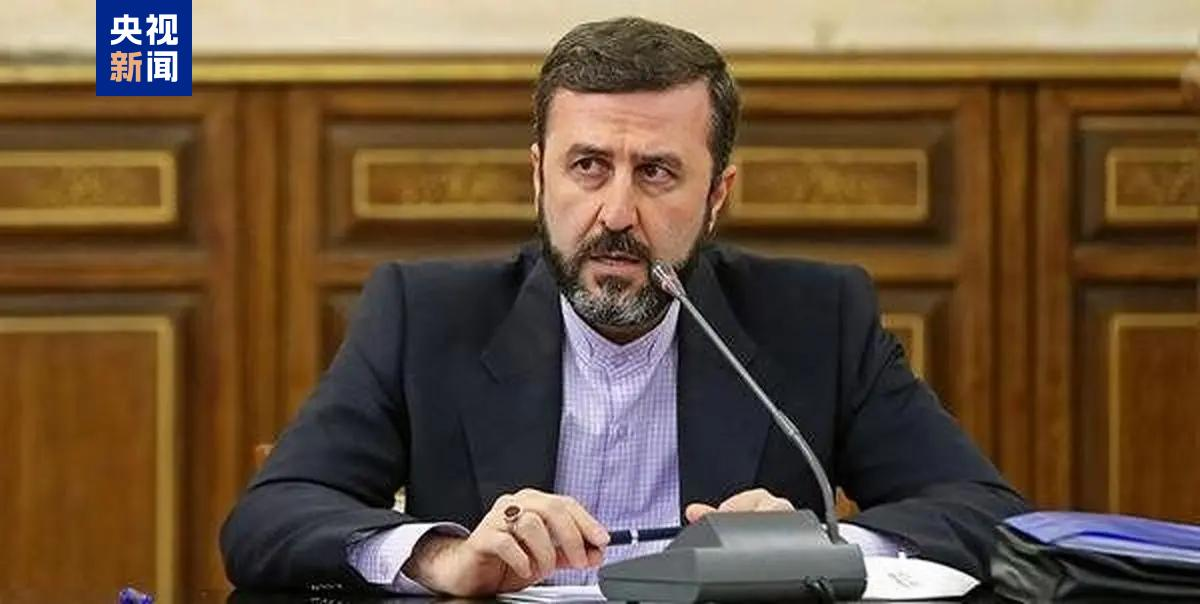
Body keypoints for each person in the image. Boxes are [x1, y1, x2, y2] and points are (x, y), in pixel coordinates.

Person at [220, 16, 1027, 596]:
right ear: (539, 177)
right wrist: (442, 557)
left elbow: (988, 518)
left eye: (656, 173)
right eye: (588, 166)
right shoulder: (426, 315)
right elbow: (270, 519)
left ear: (717, 196)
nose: (615, 213)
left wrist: (816, 545)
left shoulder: (817, 318)